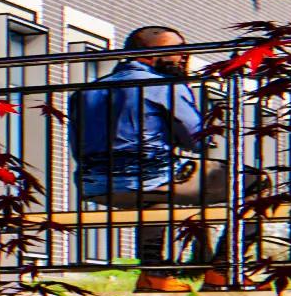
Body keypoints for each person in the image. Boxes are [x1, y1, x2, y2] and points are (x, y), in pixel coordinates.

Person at [68, 25, 221, 268]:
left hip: (94, 183)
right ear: (150, 53)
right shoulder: (165, 85)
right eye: (177, 50)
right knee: (253, 182)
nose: (184, 56)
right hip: (149, 177)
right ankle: (223, 266)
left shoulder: (86, 91)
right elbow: (197, 140)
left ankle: (153, 270)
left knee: (157, 197)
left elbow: (79, 146)